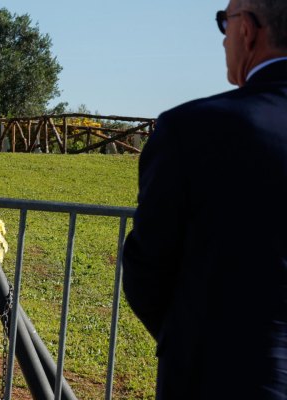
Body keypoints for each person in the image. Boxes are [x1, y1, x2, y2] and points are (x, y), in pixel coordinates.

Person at [123, 0, 287, 398]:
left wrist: (187, 337)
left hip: (219, 375)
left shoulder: (191, 130)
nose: (223, 38)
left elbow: (148, 268)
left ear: (247, 29)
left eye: (223, 22)